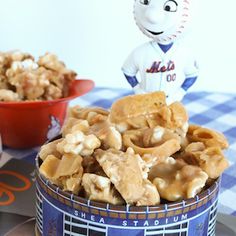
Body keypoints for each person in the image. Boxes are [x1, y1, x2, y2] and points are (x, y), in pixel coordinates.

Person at [122, 0, 198, 104]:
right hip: (146, 99)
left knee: (176, 120)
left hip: (171, 100)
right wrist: (137, 88)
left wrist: (180, 92)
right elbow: (128, 71)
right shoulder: (140, 52)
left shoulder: (184, 53)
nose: (151, 16)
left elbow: (192, 75)